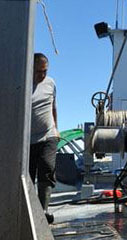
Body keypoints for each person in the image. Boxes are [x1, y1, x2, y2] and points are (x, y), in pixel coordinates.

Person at [30, 53, 59, 224]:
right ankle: (30, 211)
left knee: (47, 167)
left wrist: (56, 128)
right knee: (28, 173)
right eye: (38, 72)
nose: (41, 75)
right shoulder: (21, 84)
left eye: (44, 71)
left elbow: (53, 106)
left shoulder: (51, 83)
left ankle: (44, 210)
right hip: (27, 140)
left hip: (48, 135)